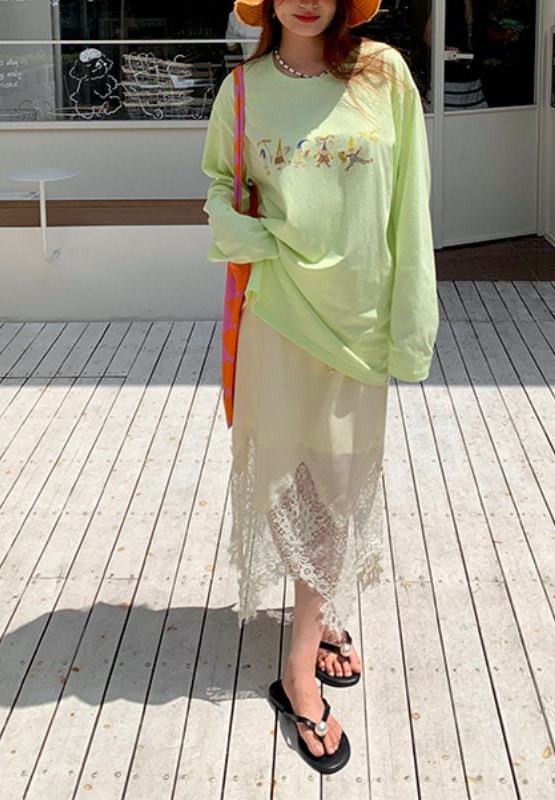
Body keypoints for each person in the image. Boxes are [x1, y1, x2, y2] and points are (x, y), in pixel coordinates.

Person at [201, 0, 438, 773]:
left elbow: (410, 207)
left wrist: (411, 325)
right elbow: (218, 186)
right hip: (277, 315)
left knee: (334, 488)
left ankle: (319, 616)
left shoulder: (384, 74)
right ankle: (299, 671)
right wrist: (255, 237)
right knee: (291, 487)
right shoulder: (241, 90)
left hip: (358, 324)